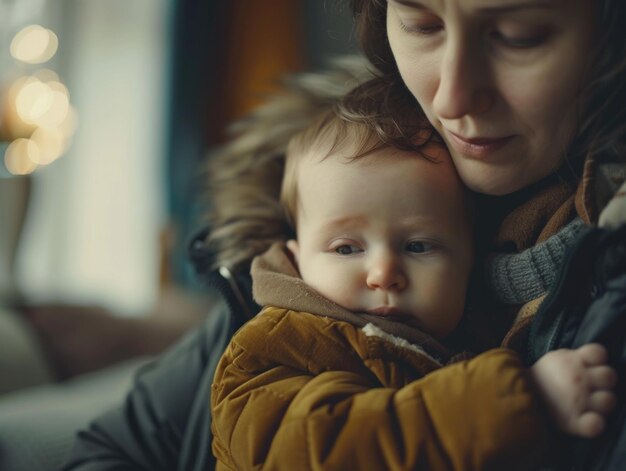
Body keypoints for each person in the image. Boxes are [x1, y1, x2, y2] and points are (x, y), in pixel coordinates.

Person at [60, 0, 626, 468]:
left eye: (516, 35)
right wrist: (516, 400)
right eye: (421, 23)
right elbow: (113, 448)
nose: (451, 100)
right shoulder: (291, 298)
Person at [211, 109, 616, 469]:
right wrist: (522, 399)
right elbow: (322, 452)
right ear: (297, 259)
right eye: (347, 248)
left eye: (418, 246)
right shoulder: (271, 350)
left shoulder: (474, 345)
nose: (383, 274)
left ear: (469, 259)